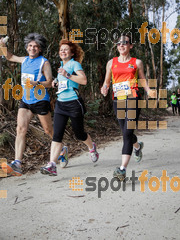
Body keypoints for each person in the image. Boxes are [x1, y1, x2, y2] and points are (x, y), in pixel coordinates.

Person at [40, 39, 99, 176]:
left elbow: (83, 80)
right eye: (61, 50)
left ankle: (91, 147)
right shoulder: (61, 65)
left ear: (72, 53)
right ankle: (52, 165)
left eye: (66, 49)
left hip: (74, 103)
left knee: (79, 133)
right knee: (57, 135)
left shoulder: (74, 64)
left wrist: (67, 75)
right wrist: (56, 81)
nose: (63, 51)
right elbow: (63, 81)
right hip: (61, 104)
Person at [101, 34, 155, 181]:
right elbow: (107, 81)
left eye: (125, 43)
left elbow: (142, 79)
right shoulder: (111, 63)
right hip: (118, 100)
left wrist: (149, 90)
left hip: (133, 99)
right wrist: (104, 88)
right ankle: (137, 146)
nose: (121, 45)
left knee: (126, 134)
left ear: (130, 46)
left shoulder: (136, 62)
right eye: (119, 43)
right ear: (117, 46)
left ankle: (122, 169)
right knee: (126, 132)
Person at [0, 33, 53, 176]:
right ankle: (17, 163)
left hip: (41, 100)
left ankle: (61, 147)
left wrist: (37, 83)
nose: (32, 48)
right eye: (30, 46)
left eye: (35, 46)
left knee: (48, 130)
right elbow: (10, 57)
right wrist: (3, 46)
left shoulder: (44, 62)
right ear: (27, 47)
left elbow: (49, 82)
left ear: (40, 49)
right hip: (26, 100)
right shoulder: (24, 60)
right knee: (20, 129)